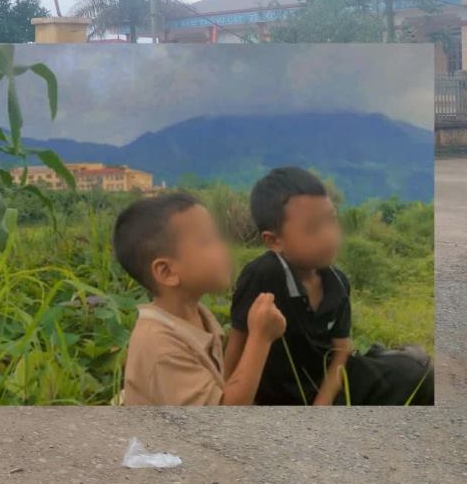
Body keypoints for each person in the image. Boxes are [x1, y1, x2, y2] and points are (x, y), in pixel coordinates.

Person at [225, 167, 433, 405]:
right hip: (277, 393)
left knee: (418, 372)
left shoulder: (337, 281)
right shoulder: (261, 276)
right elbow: (235, 346)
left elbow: (341, 352)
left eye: (331, 220)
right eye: (313, 228)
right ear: (274, 241)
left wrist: (321, 406)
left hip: (328, 384)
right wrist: (221, 400)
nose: (329, 236)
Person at [114, 191, 286, 405]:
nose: (224, 248)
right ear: (167, 272)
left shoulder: (197, 316)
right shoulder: (160, 346)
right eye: (207, 241)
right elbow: (219, 421)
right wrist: (260, 338)